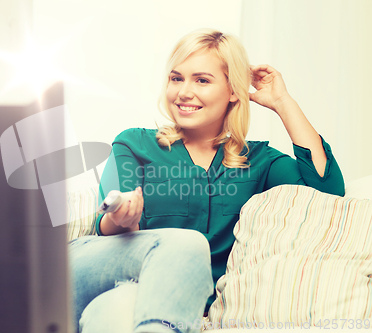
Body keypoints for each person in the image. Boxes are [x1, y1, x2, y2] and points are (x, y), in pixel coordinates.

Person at [68, 28, 345, 333]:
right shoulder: (135, 143)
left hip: (158, 299)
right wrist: (123, 217)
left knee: (113, 311)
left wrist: (283, 102)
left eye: (201, 80)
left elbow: (327, 194)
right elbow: (105, 228)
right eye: (176, 78)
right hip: (103, 268)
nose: (183, 92)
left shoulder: (259, 161)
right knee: (186, 246)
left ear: (233, 91)